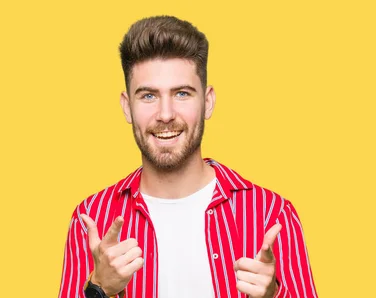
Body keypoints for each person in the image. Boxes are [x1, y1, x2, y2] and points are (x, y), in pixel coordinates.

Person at [58, 15, 317, 298]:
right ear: (127, 107)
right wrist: (99, 289)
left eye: (182, 93)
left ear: (207, 102)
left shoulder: (271, 215)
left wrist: (272, 297)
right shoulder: (92, 219)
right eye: (148, 96)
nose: (166, 114)